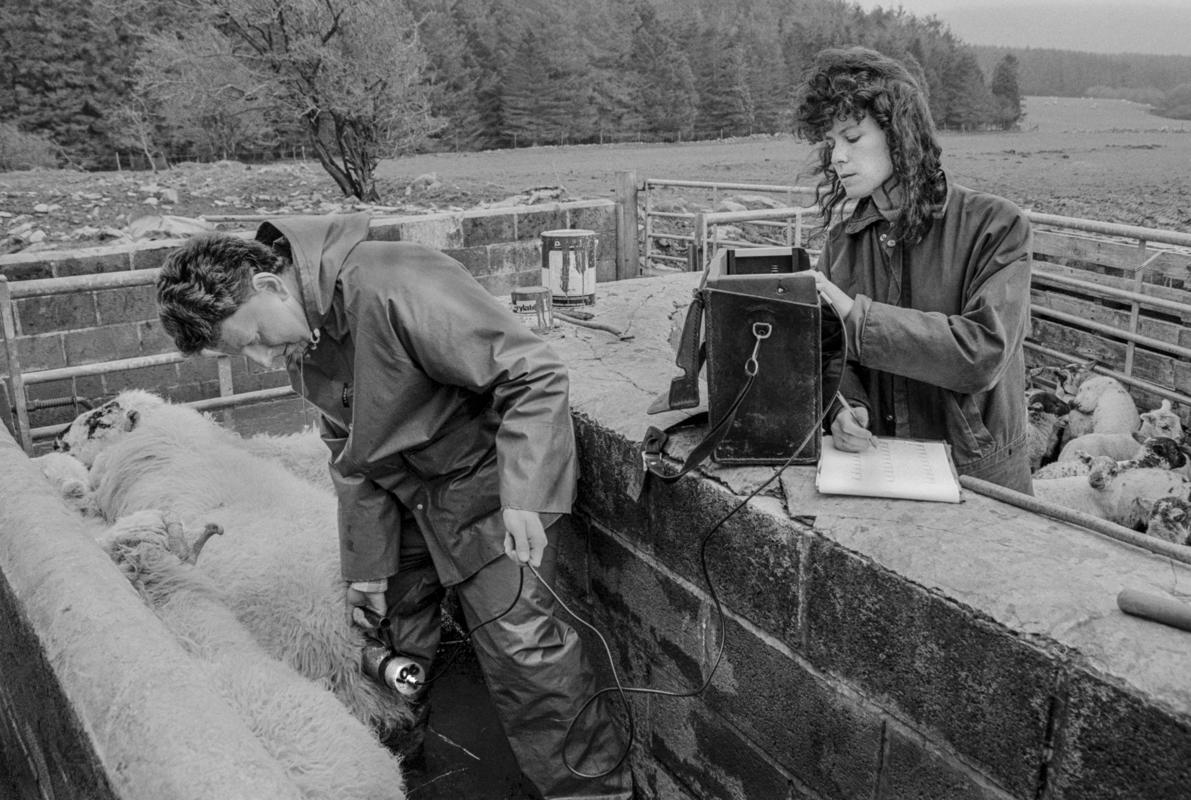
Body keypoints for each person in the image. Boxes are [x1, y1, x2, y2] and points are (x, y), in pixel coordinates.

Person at [155, 214, 632, 800]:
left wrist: (527, 494)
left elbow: (532, 373)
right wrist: (367, 566)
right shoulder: (306, 337)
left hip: (485, 487)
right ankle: (393, 770)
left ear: (268, 286)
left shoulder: (395, 282)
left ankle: (594, 794)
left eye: (252, 337)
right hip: (409, 499)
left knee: (523, 651)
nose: (260, 358)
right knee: (388, 635)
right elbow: (350, 456)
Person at [794, 46, 1034, 494]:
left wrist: (856, 315)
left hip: (979, 477)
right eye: (830, 144)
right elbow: (831, 351)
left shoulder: (997, 225)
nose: (837, 158)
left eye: (851, 138)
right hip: (880, 469)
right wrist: (846, 407)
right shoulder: (843, 241)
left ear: (898, 132)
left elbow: (983, 354)